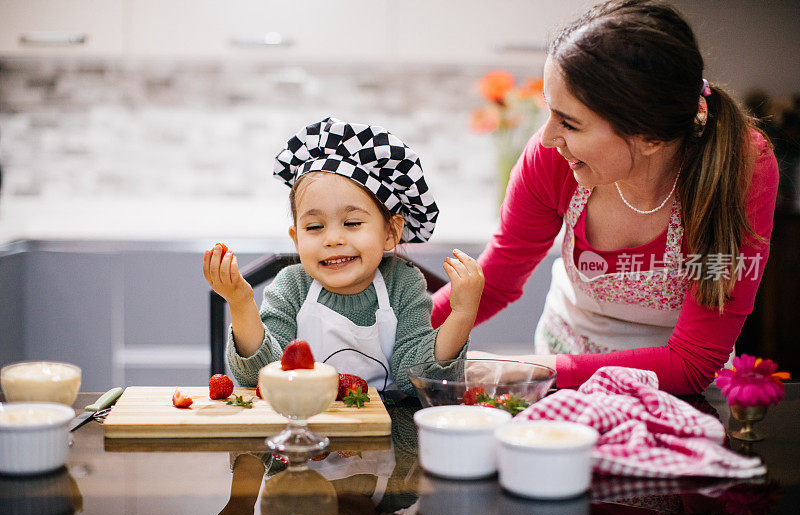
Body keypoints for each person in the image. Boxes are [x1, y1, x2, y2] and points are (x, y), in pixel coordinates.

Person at [432, 0, 779, 395]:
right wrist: (402, 334)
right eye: (551, 111)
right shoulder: (552, 159)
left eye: (570, 122)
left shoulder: (741, 171)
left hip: (680, 390)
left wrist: (522, 367)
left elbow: (691, 363)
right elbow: (496, 279)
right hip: (567, 360)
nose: (547, 137)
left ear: (649, 137)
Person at [204, 117, 484, 396]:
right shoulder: (291, 286)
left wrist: (462, 313)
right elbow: (261, 376)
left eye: (351, 223)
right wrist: (240, 302)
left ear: (390, 232)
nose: (333, 239)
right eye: (314, 227)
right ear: (297, 238)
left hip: (386, 429)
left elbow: (415, 378)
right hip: (304, 425)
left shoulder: (404, 284)